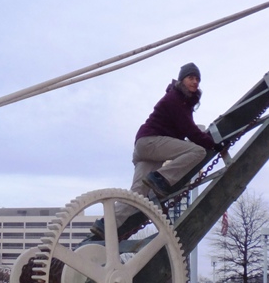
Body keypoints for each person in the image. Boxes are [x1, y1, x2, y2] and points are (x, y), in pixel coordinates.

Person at [92, 62, 219, 237]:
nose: (195, 82)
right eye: (191, 78)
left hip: (144, 147)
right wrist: (212, 143)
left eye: (197, 79)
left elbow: (187, 129)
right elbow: (190, 130)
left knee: (138, 195)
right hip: (151, 142)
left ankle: (106, 225)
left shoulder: (179, 100)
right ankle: (161, 178)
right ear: (182, 80)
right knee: (198, 152)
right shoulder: (177, 100)